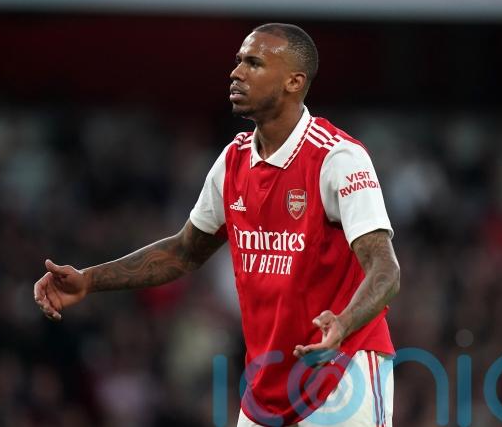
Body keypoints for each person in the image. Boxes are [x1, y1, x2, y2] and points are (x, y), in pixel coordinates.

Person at [34, 23, 400, 427]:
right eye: (239, 61)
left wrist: (344, 323)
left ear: (294, 82)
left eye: (254, 63)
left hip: (342, 370)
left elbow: (385, 269)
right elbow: (184, 251)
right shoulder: (233, 161)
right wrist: (89, 280)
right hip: (267, 386)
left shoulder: (337, 158)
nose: (236, 72)